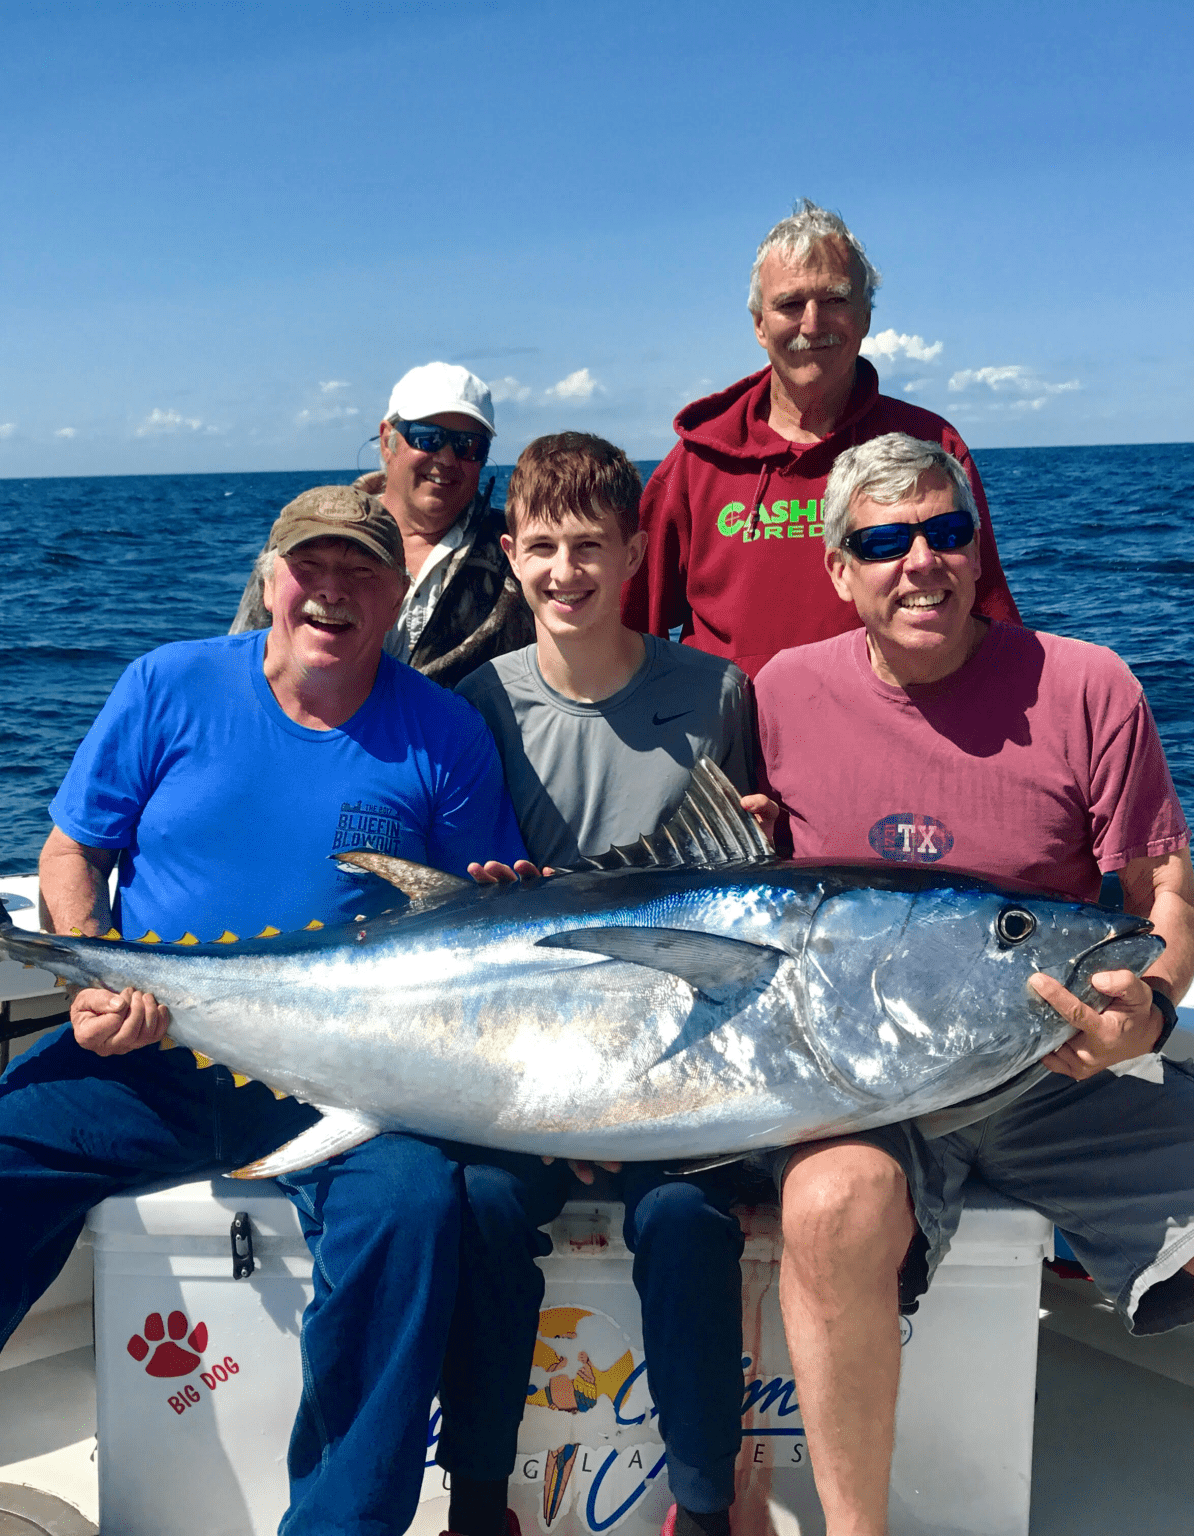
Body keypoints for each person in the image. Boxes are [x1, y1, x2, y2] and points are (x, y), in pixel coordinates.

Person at [0, 485, 533, 1536]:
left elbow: (476, 929)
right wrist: (87, 978)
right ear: (271, 577)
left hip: (347, 1073)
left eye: (362, 573)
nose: (331, 591)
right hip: (144, 1054)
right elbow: (74, 853)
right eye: (309, 566)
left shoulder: (442, 732)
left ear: (395, 594)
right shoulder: (170, 684)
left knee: (410, 1213)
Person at [755, 434, 1194, 1536]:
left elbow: (1164, 900)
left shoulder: (1085, 683)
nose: (922, 561)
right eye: (884, 541)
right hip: (873, 1086)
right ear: (839, 570)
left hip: (1065, 1070)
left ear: (977, 545)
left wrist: (1145, 1009)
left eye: (946, 531)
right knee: (825, 1206)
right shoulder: (780, 695)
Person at [448, 433, 774, 1536]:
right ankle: (478, 1496)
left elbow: (751, 888)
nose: (564, 571)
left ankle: (701, 1505)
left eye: (590, 546)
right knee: (482, 1210)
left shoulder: (717, 692)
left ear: (637, 551)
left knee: (686, 1218)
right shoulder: (480, 706)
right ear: (509, 553)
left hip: (684, 1068)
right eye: (540, 546)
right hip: (533, 1058)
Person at [622, 199, 1021, 681]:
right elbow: (627, 632)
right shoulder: (695, 465)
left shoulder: (930, 445)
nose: (813, 324)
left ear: (866, 314)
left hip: (898, 738)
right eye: (790, 304)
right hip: (732, 746)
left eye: (834, 300)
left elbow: (987, 618)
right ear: (759, 324)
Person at [236, 362, 534, 687]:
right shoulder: (304, 533)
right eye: (428, 438)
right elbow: (244, 657)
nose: (447, 459)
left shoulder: (518, 551)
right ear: (387, 440)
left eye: (469, 445)